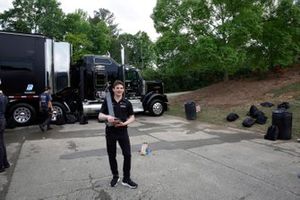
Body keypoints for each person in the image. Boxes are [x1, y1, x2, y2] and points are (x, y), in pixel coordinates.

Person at [98, 80, 138, 189]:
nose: (119, 90)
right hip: (110, 132)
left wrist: (125, 123)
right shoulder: (108, 101)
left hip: (123, 131)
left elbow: (132, 117)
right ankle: (115, 176)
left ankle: (126, 178)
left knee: (127, 155)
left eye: (121, 88)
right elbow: (100, 115)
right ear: (113, 89)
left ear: (123, 90)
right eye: (117, 88)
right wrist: (107, 117)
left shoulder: (127, 102)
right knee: (112, 155)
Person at [0, 90, 10, 173]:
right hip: (2, 120)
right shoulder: (4, 97)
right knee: (2, 143)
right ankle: (5, 163)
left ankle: (1, 166)